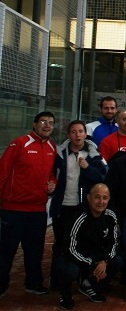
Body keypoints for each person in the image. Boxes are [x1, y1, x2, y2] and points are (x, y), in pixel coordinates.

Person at [0, 111, 57, 297]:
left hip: (38, 210)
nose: (47, 125)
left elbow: (51, 175)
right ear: (34, 124)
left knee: (35, 250)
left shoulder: (51, 147)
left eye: (50, 123)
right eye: (43, 122)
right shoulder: (19, 143)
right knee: (6, 251)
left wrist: (52, 184)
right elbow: (3, 171)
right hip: (13, 209)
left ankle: (33, 283)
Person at [50, 120, 108, 288]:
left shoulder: (93, 154)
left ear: (85, 134)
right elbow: (52, 175)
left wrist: (88, 168)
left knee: (81, 244)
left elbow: (103, 176)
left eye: (80, 131)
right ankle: (57, 279)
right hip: (62, 206)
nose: (77, 135)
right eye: (73, 132)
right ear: (69, 135)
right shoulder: (59, 154)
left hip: (82, 207)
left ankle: (83, 278)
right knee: (60, 244)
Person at [58, 184, 122, 309]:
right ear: (88, 198)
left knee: (118, 261)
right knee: (70, 270)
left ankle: (89, 286)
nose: (101, 202)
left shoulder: (110, 216)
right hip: (74, 258)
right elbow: (69, 249)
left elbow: (113, 243)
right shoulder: (78, 216)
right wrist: (92, 264)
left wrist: (104, 261)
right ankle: (65, 294)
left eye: (105, 198)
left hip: (96, 258)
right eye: (97, 197)